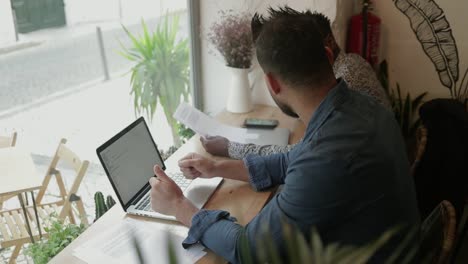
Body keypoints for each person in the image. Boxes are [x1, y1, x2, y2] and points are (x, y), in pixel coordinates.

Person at [149, 6, 419, 263]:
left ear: (272, 83)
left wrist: (179, 206)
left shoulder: (329, 154)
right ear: (328, 55)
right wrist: (216, 167)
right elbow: (287, 161)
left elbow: (250, 251)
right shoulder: (356, 107)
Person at [201, 12, 391, 159]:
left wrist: (231, 148)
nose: (302, 55)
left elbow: (301, 156)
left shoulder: (346, 80)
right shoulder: (351, 63)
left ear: (328, 48)